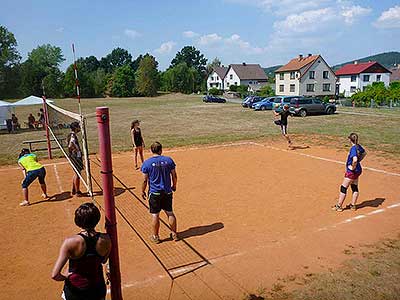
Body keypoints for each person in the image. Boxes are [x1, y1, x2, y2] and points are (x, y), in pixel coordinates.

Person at [52, 202, 111, 300]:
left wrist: (66, 277)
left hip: (76, 290)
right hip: (97, 289)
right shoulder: (106, 239)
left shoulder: (70, 242)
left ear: (78, 221)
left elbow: (55, 275)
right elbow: (104, 260)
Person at [141, 142, 178, 244]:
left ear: (151, 151)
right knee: (170, 213)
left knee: (155, 215)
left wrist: (142, 191)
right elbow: (174, 176)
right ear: (161, 150)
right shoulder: (169, 160)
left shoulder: (147, 163)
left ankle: (156, 237)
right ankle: (174, 234)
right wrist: (174, 186)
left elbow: (144, 180)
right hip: (167, 192)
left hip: (154, 193)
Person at [332, 133, 367, 212]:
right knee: (354, 187)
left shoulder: (353, 149)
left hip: (352, 172)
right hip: (358, 170)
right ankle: (353, 205)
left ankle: (339, 206)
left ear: (350, 140)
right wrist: (359, 161)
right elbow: (364, 153)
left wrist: (353, 166)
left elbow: (354, 159)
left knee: (343, 188)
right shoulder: (358, 146)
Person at [68, 122, 84, 196]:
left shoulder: (70, 135)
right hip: (76, 157)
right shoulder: (72, 136)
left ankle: (74, 190)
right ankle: (77, 192)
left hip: (74, 156)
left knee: (76, 173)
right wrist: (77, 151)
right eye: (78, 127)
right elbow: (70, 145)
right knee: (78, 173)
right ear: (75, 128)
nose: (79, 128)